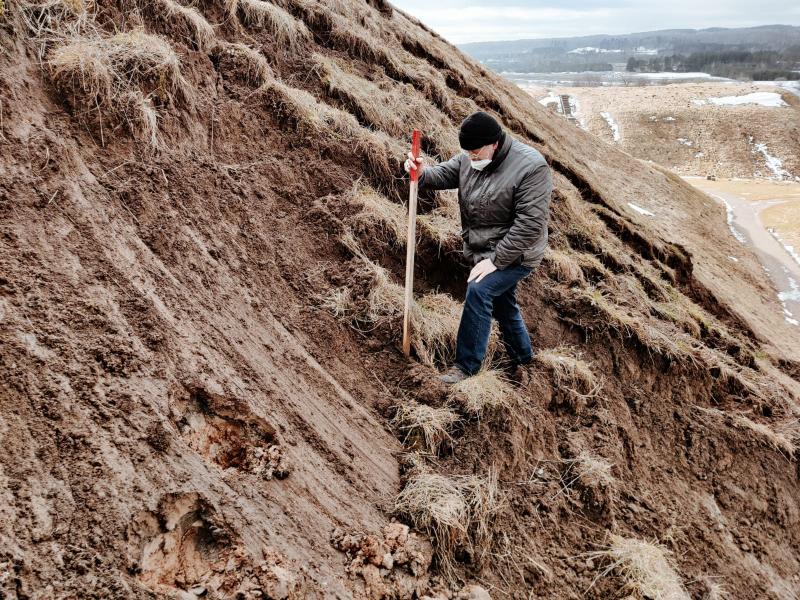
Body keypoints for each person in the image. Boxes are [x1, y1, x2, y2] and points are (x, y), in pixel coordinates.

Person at [404, 111, 553, 384]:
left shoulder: (531, 168)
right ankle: (524, 360)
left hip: (518, 253)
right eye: (467, 152)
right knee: (504, 305)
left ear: (494, 143)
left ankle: (466, 368)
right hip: (484, 249)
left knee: (479, 289)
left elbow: (530, 225)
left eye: (475, 151)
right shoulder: (471, 159)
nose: (471, 157)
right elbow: (443, 174)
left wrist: (496, 260)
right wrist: (421, 173)